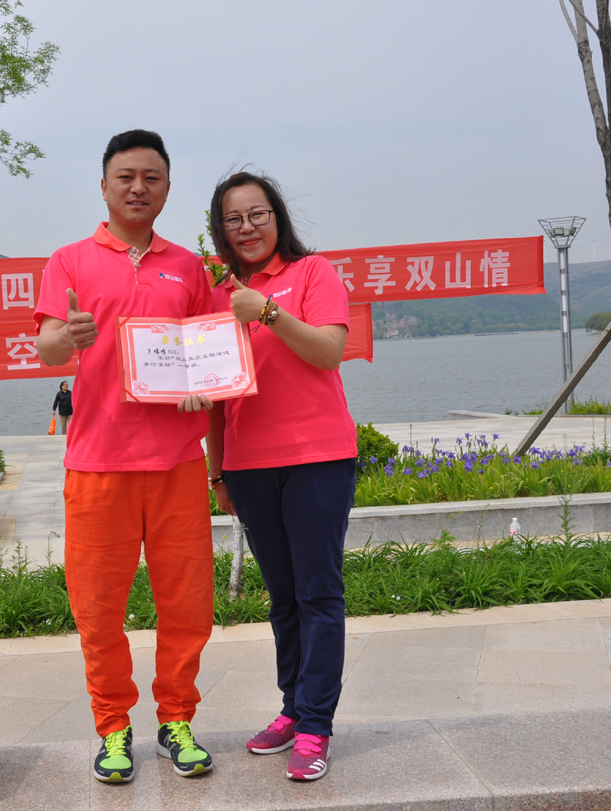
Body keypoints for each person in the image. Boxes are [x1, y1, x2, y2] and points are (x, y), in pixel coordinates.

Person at [36, 129, 217, 784]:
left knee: (187, 605)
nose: (138, 187)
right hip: (98, 464)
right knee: (97, 609)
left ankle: (176, 719)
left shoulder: (188, 267)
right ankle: (113, 725)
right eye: (126, 176)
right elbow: (47, 349)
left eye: (151, 177)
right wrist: (68, 333)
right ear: (105, 185)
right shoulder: (69, 261)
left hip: (176, 462)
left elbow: (208, 351)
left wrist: (205, 387)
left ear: (166, 187)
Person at [204, 171, 358, 782]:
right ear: (221, 229)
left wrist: (267, 311)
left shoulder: (313, 273)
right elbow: (214, 398)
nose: (246, 227)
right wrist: (217, 474)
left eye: (257, 214)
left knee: (318, 593)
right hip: (248, 467)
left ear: (277, 217)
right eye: (234, 218)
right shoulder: (217, 294)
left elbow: (327, 352)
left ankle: (316, 725)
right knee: (284, 597)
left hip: (318, 459)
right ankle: (294, 707)